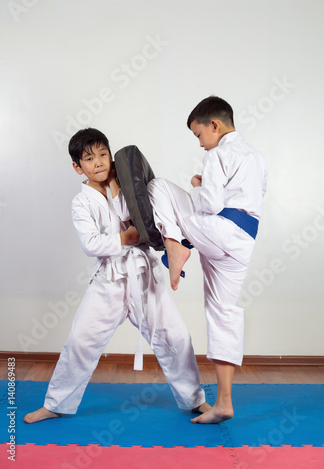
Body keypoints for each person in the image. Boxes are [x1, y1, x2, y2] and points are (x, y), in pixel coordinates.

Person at [24, 128, 209, 424]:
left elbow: (146, 225)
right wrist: (125, 238)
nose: (97, 162)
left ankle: (194, 400)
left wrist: (116, 189)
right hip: (108, 281)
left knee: (175, 337)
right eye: (88, 158)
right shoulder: (81, 203)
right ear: (77, 167)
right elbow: (92, 244)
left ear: (111, 156)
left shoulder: (128, 188)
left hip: (144, 276)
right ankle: (56, 403)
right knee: (80, 341)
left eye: (102, 154)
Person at [147, 96, 268, 424]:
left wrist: (197, 187)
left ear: (214, 126)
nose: (200, 144)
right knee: (223, 313)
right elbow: (250, 196)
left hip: (218, 230)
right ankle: (224, 402)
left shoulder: (218, 154)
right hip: (242, 242)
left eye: (199, 135)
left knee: (158, 186)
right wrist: (207, 191)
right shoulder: (256, 157)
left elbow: (209, 206)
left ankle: (177, 245)